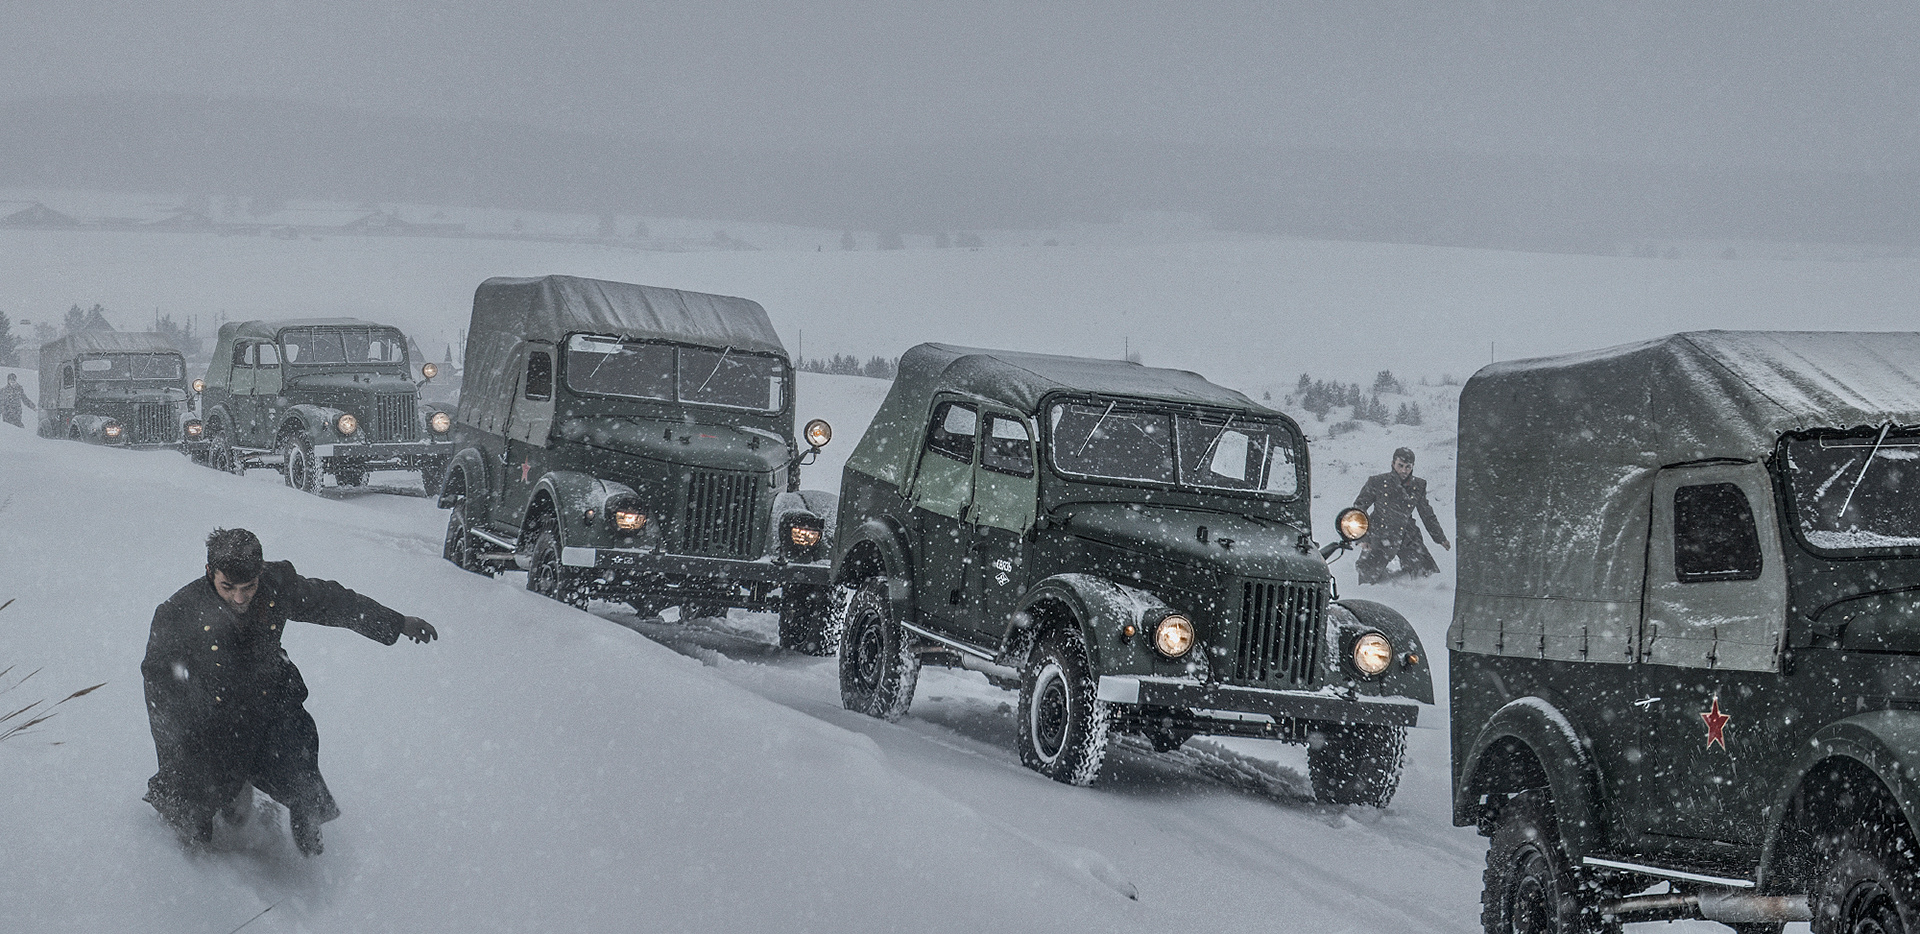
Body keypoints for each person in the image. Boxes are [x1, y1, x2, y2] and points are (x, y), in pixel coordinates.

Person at [140, 528, 436, 855]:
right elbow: (160, 690)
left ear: (260, 573)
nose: (240, 598)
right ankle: (201, 828)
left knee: (296, 758)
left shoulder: (276, 585)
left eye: (248, 587)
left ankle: (305, 814)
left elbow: (334, 602)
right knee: (192, 805)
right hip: (212, 716)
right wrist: (177, 757)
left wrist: (396, 622)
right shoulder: (178, 612)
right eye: (228, 587)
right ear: (210, 572)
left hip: (269, 702)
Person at [1351, 447, 1450, 584]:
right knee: (1368, 580)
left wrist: (1440, 538)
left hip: (1407, 535)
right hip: (1379, 534)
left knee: (1427, 577)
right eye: (1400, 465)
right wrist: (1364, 537)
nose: (1404, 470)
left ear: (1413, 466)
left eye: (1408, 467)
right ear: (1393, 464)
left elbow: (1427, 514)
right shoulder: (1377, 482)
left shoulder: (1418, 486)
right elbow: (1359, 508)